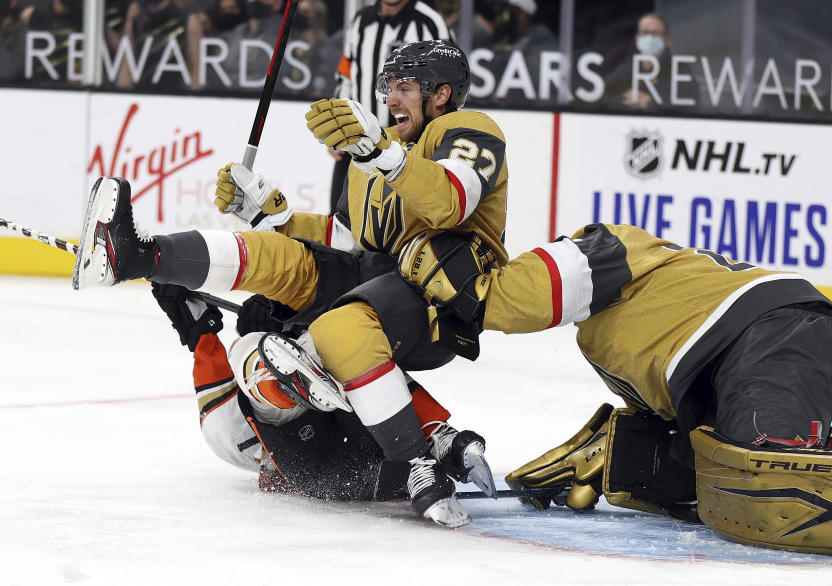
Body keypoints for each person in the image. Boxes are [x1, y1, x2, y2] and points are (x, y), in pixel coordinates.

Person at [74, 40, 508, 528]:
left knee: (277, 349)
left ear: (442, 94)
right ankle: (138, 254)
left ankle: (309, 360)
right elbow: (347, 240)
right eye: (388, 88)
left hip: (439, 303)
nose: (390, 100)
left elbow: (451, 198)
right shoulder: (372, 157)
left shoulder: (463, 131)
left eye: (403, 88)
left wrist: (380, 153)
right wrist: (274, 214)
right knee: (280, 261)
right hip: (377, 287)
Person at [402, 222, 832, 565]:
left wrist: (468, 294)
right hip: (747, 353)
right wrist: (619, 458)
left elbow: (523, 293)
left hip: (770, 330)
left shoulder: (602, 246)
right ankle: (634, 460)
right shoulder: (609, 338)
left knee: (757, 472)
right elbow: (681, 420)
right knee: (715, 476)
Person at [149, 281, 475, 502]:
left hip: (318, 458)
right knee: (358, 360)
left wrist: (201, 331)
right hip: (317, 456)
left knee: (249, 353)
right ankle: (287, 378)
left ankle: (284, 378)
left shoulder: (225, 426)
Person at [328, 0, 452, 212]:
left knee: (396, 226)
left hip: (409, 147)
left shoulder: (430, 23)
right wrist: (338, 124)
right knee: (340, 222)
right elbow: (346, 73)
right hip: (357, 141)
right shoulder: (361, 20)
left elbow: (448, 82)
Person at [606, 12, 698, 111]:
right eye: (645, 33)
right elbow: (603, 97)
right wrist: (626, 100)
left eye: (656, 33)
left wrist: (652, 104)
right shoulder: (626, 70)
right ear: (637, 39)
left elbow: (691, 106)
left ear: (667, 40)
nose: (650, 38)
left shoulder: (680, 71)